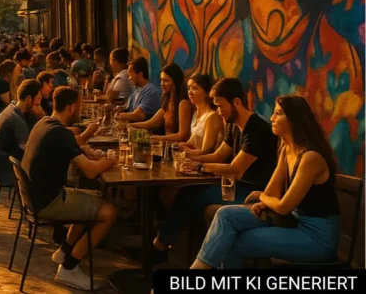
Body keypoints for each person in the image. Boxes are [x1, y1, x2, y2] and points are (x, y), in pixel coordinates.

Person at [192, 95, 341, 269]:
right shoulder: (287, 150)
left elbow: (284, 206)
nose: (272, 118)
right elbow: (272, 193)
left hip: (316, 237)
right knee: (225, 214)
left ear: (294, 120)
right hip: (293, 221)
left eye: (278, 113)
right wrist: (264, 201)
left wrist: (262, 197)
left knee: (238, 241)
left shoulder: (310, 158)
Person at [145, 77, 278, 262]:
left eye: (221, 106)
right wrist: (187, 158)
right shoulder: (233, 125)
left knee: (190, 196)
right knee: (188, 193)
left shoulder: (257, 129)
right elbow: (218, 156)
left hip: (252, 192)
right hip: (235, 186)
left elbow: (234, 169)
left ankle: (161, 246)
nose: (218, 112)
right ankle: (169, 246)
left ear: (237, 102)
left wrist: (199, 166)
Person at [22, 87, 120, 290]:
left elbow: (73, 145)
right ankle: (69, 268)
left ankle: (65, 250)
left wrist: (88, 151)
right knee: (109, 212)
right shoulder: (59, 132)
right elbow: (92, 172)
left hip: (35, 196)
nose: (80, 110)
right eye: (80, 106)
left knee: (93, 196)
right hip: (48, 201)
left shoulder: (46, 123)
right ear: (72, 107)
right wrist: (109, 160)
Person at [133, 63, 192, 139]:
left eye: (166, 80)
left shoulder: (183, 103)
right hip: (165, 144)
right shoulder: (168, 101)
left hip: (175, 147)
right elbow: (150, 123)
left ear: (175, 82)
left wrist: (156, 138)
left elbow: (182, 136)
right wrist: (129, 126)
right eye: (161, 80)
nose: (162, 84)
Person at [176, 74, 224, 154]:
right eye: (188, 88)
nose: (190, 92)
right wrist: (181, 145)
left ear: (206, 92)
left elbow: (206, 151)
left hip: (202, 161)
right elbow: (193, 142)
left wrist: (186, 152)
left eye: (194, 88)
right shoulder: (195, 113)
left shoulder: (212, 116)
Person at [115, 57, 160, 123]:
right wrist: (119, 109)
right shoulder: (136, 89)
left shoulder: (151, 92)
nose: (129, 78)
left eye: (130, 73)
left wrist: (121, 115)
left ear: (140, 74)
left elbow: (139, 115)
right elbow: (129, 109)